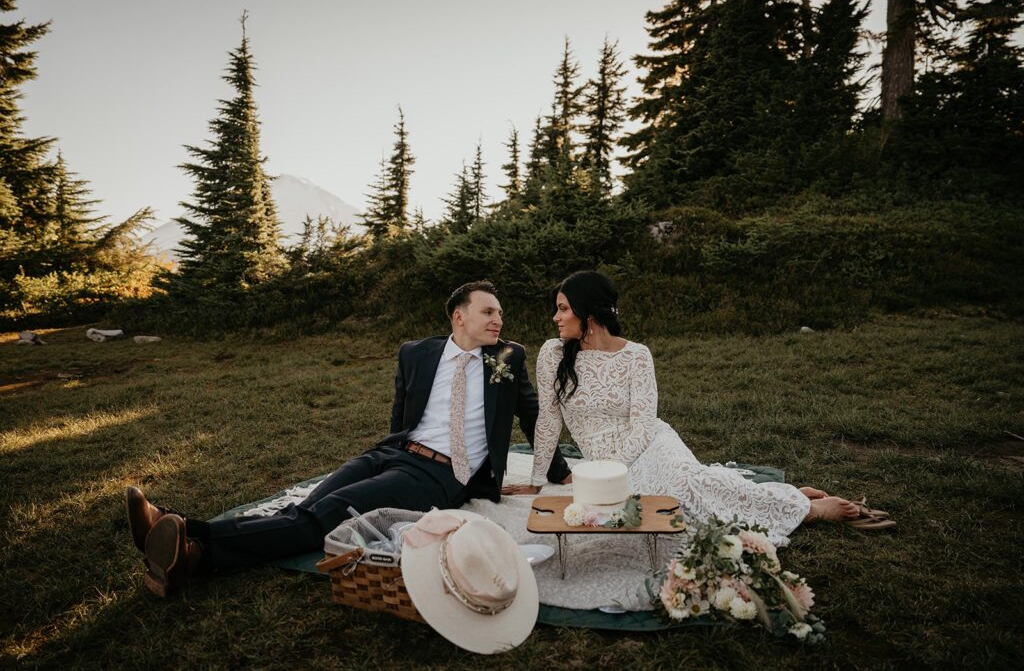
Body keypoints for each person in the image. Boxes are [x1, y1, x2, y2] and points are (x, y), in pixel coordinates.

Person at [126, 280, 573, 596]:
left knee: (325, 516)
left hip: (439, 476)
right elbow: (401, 412)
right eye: (489, 311)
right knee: (302, 508)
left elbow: (532, 415)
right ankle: (185, 545)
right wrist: (387, 450)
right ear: (460, 316)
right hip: (390, 454)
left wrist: (558, 472)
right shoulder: (416, 353)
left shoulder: (507, 358)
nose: (500, 319)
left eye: (499, 313)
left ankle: (193, 540)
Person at [505, 271, 893, 544]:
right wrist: (539, 480)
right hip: (601, 459)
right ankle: (788, 494)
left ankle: (806, 509)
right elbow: (548, 420)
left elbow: (643, 425)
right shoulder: (554, 355)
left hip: (648, 443)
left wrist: (612, 469)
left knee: (686, 483)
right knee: (674, 504)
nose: (555, 318)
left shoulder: (637, 356)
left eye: (562, 308)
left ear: (588, 312)